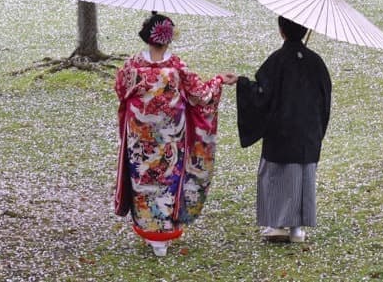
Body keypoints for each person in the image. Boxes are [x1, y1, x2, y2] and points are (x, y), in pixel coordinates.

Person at [113, 13, 238, 257]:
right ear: (169, 39)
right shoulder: (178, 68)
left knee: (143, 181)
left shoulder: (131, 66)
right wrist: (220, 80)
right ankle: (164, 234)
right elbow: (202, 96)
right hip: (170, 139)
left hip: (140, 139)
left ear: (146, 36)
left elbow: (120, 91)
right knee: (167, 182)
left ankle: (149, 231)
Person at [235, 15, 332, 244]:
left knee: (277, 176)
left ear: (282, 31)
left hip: (280, 132)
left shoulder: (277, 60)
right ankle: (297, 229)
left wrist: (241, 83)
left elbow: (261, 94)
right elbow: (324, 99)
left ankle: (276, 225)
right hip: (307, 133)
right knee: (302, 177)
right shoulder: (316, 62)